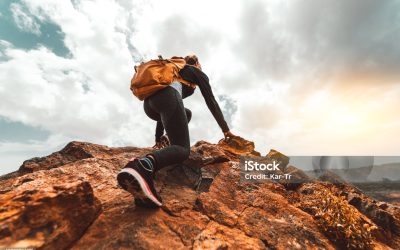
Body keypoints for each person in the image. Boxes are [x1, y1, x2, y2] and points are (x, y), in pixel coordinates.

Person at [117, 54, 236, 207]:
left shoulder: (174, 70)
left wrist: (158, 136)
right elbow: (210, 100)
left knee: (187, 113)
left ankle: (141, 185)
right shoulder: (196, 72)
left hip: (149, 105)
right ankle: (142, 166)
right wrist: (225, 130)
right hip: (168, 98)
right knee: (182, 149)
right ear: (197, 63)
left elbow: (163, 105)